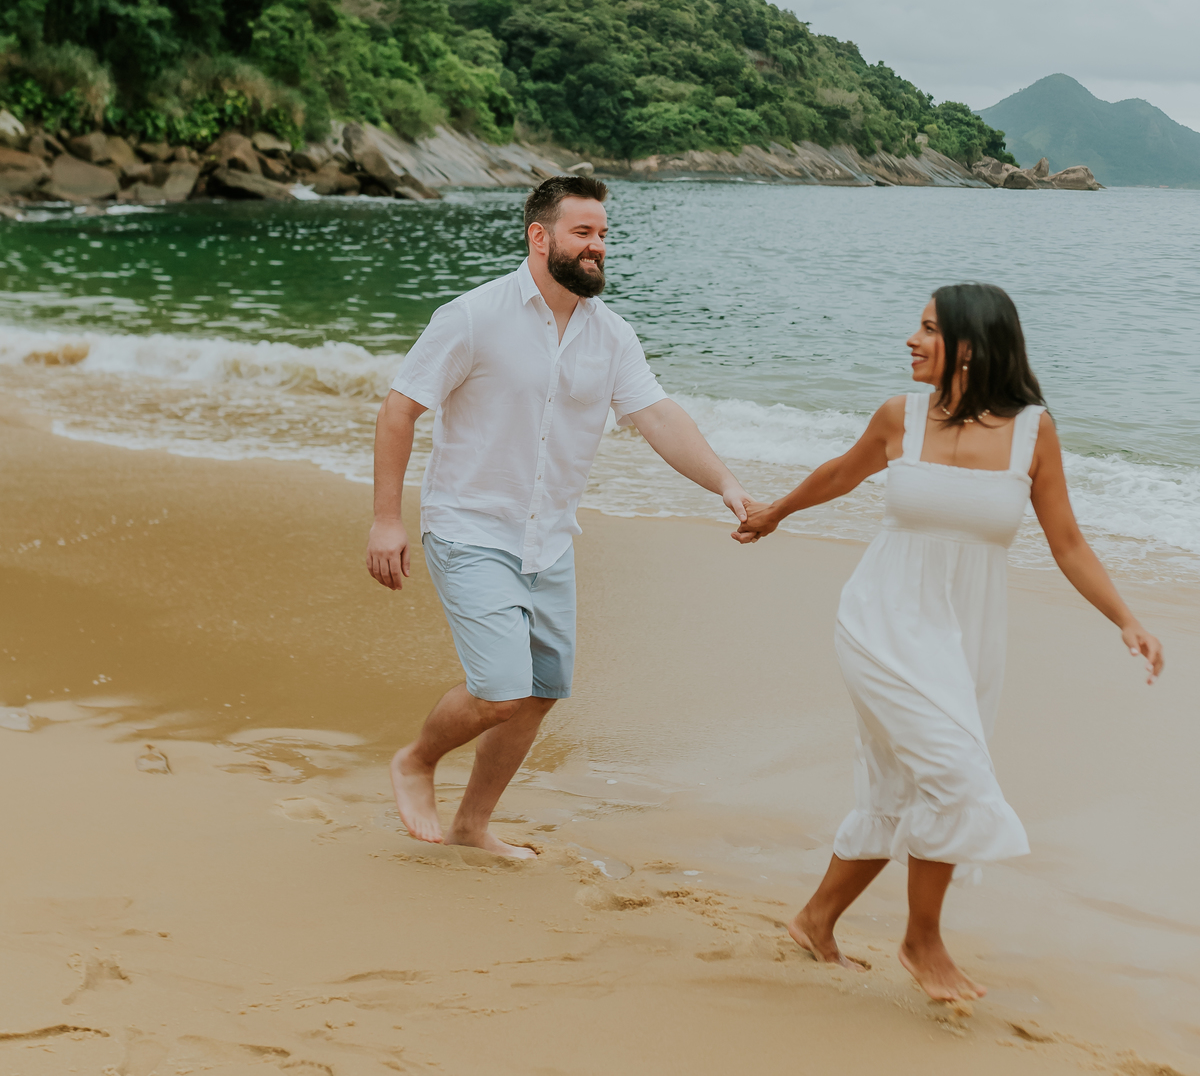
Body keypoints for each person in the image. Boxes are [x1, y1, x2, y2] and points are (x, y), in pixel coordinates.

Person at [734, 282, 1163, 1002]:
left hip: (966, 637)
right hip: (880, 621)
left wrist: (1127, 618)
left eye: (930, 328)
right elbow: (841, 474)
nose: (912, 339)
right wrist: (775, 512)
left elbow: (1068, 542)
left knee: (901, 784)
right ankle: (922, 942)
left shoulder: (1033, 432)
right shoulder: (898, 417)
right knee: (956, 775)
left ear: (972, 345)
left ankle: (815, 922)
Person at [366, 173, 755, 858]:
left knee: (540, 691)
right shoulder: (473, 316)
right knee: (499, 691)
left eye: (603, 234)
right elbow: (400, 409)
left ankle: (471, 826)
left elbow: (658, 417)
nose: (597, 245)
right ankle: (417, 761)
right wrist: (386, 520)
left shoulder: (612, 335)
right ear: (539, 237)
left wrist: (725, 483)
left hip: (548, 540)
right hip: (470, 528)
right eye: (583, 232)